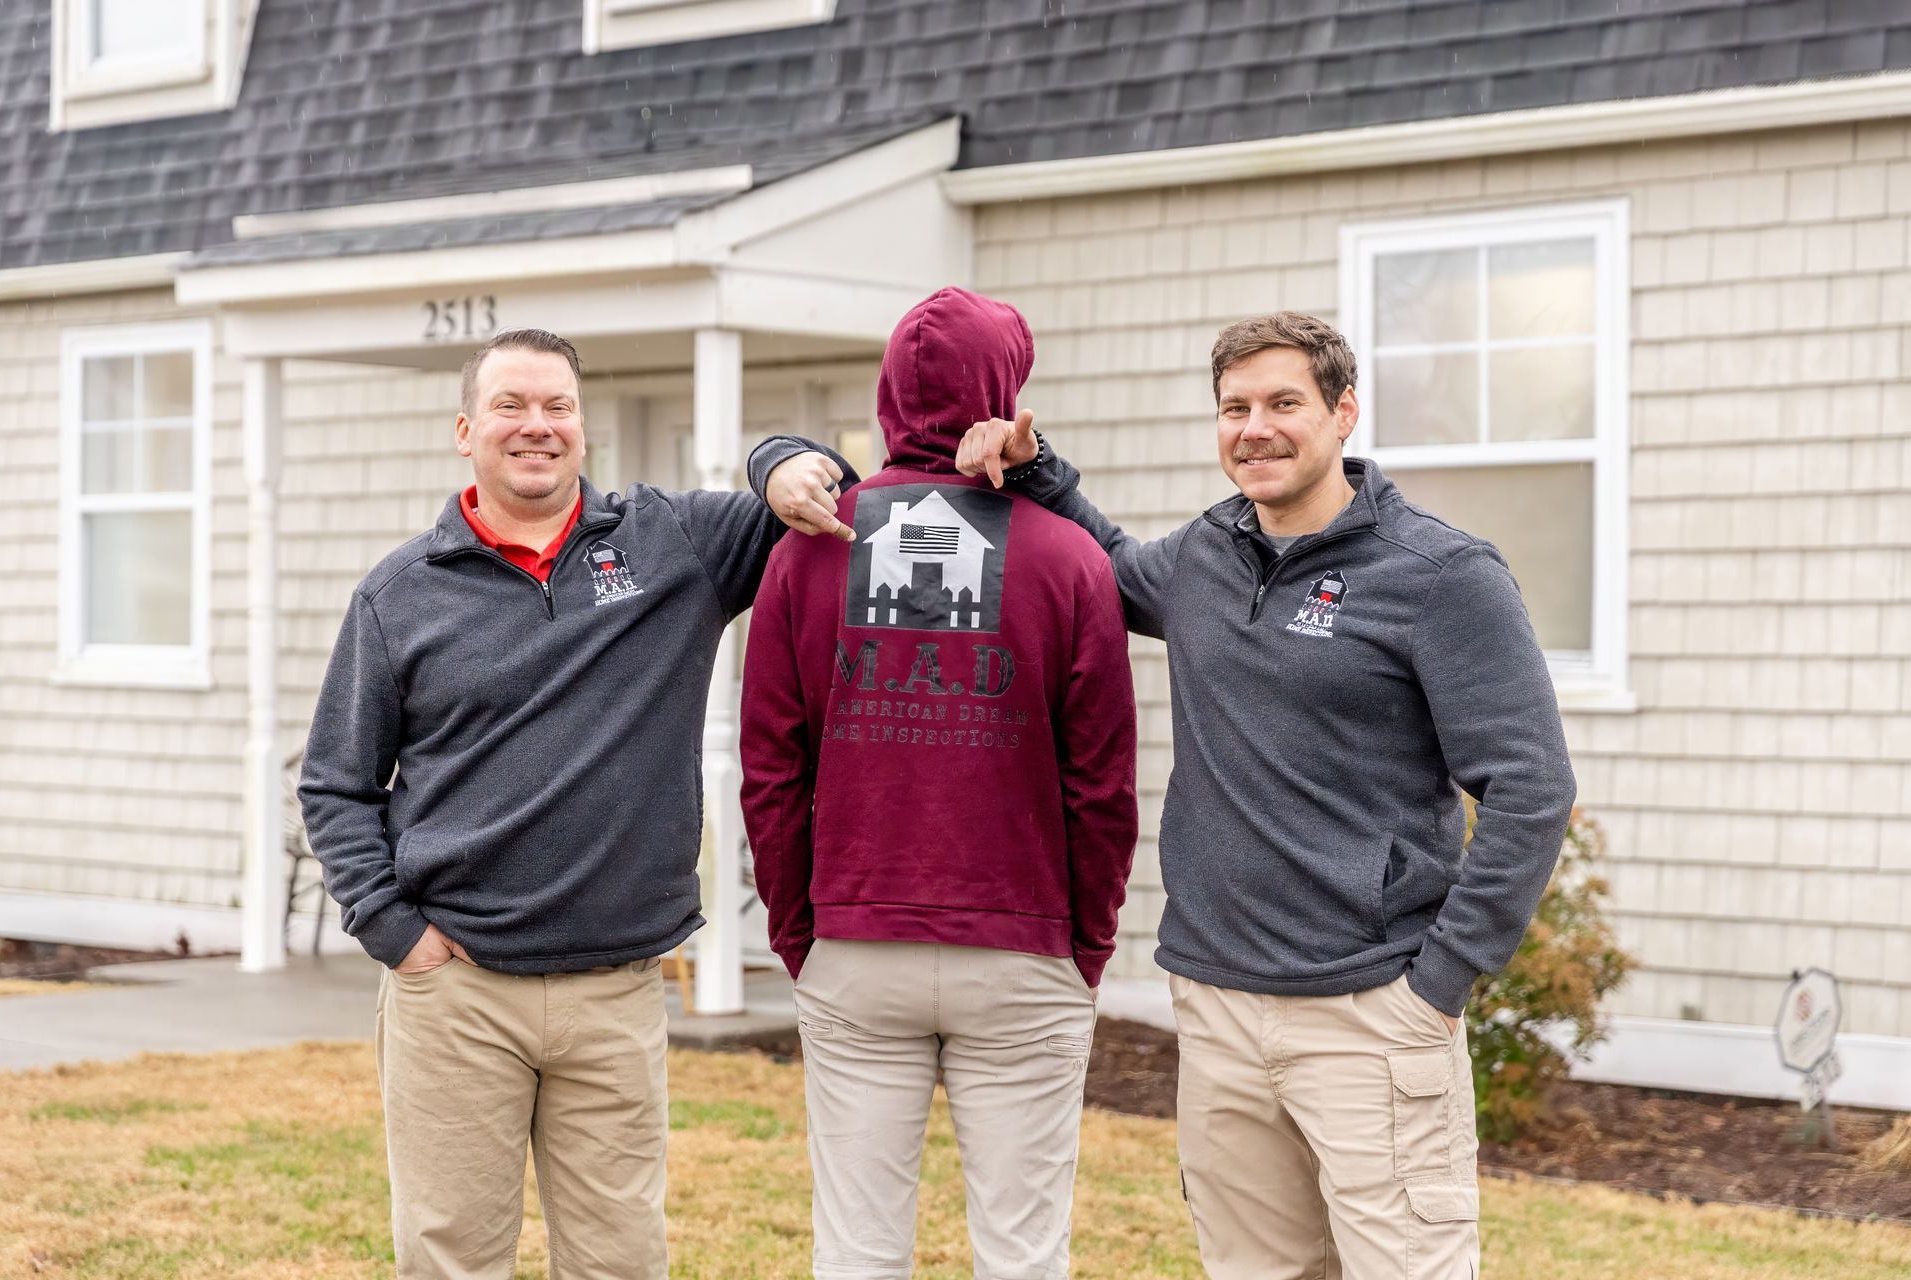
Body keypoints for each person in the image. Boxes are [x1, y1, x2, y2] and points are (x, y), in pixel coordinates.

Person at [957, 311, 1577, 1279]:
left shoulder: (1441, 575)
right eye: (1234, 408)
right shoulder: (1206, 554)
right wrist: (1038, 474)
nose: (1255, 429)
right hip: (1217, 1003)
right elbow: (1109, 566)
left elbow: (1532, 787)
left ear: (1344, 411)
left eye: (1284, 403)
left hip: (1371, 1009)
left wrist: (1440, 983)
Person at [298, 326, 855, 1280]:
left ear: (582, 427)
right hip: (457, 993)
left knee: (620, 1261)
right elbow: (336, 783)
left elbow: (818, 489)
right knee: (450, 1260)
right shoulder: (399, 596)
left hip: (616, 988)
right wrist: (394, 931)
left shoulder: (669, 544)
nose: (537, 426)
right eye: (510, 406)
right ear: (465, 431)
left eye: (558, 406)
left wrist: (777, 461)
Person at [739, 287, 1138, 1280]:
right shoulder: (1071, 557)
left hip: (855, 938)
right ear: (1005, 388)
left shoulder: (809, 548)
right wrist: (1086, 941)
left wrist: (800, 928)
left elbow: (772, 768)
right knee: (1022, 1253)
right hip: (1023, 944)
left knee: (858, 1251)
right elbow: (1102, 781)